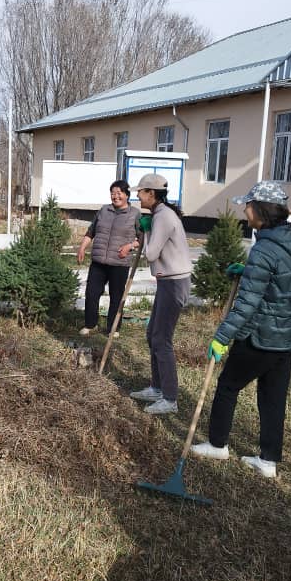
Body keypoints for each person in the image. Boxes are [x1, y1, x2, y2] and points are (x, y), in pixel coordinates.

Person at [190, 181, 291, 478]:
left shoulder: (265, 249)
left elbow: (246, 304)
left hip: (262, 335)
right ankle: (268, 460)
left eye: (247, 205)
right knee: (273, 397)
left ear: (260, 210)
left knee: (228, 386)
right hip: (288, 336)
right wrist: (247, 271)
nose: (244, 211)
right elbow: (283, 280)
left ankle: (218, 444)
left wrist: (221, 337)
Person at [128, 174, 192, 415]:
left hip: (175, 284)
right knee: (152, 334)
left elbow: (152, 254)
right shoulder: (159, 214)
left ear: (152, 194)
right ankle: (157, 387)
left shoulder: (163, 217)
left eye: (141, 192)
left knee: (162, 339)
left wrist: (146, 234)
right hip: (168, 282)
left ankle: (170, 398)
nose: (137, 196)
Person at [76, 179, 141, 337]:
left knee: (116, 296)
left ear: (127, 195)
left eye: (119, 193)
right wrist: (82, 248)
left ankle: (113, 328)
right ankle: (90, 324)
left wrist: (129, 246)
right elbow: (91, 232)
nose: (115, 196)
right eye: (113, 193)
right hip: (98, 261)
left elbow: (143, 239)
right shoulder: (103, 211)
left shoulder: (135, 214)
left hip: (119, 262)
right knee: (92, 292)